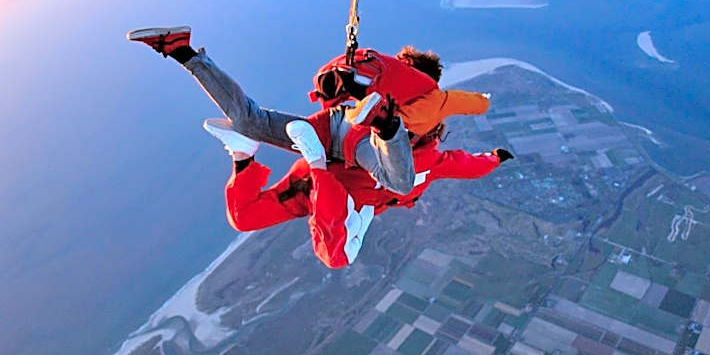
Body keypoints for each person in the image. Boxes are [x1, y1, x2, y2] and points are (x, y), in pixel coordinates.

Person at [127, 26, 416, 195]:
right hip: (353, 140)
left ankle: (181, 51)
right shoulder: (425, 125)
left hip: (332, 134)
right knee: (399, 184)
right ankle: (384, 124)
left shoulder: (419, 105)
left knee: (247, 121)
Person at [203, 115, 514, 268]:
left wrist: (495, 158)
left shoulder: (430, 159)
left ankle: (242, 154)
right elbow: (468, 165)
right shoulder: (398, 149)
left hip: (319, 190)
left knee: (244, 218)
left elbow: (470, 165)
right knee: (335, 256)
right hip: (331, 187)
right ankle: (315, 160)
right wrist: (494, 158)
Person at [310, 45, 491, 136]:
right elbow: (468, 102)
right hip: (389, 124)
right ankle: (369, 113)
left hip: (377, 108)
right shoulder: (435, 96)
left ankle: (357, 97)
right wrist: (484, 102)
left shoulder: (428, 93)